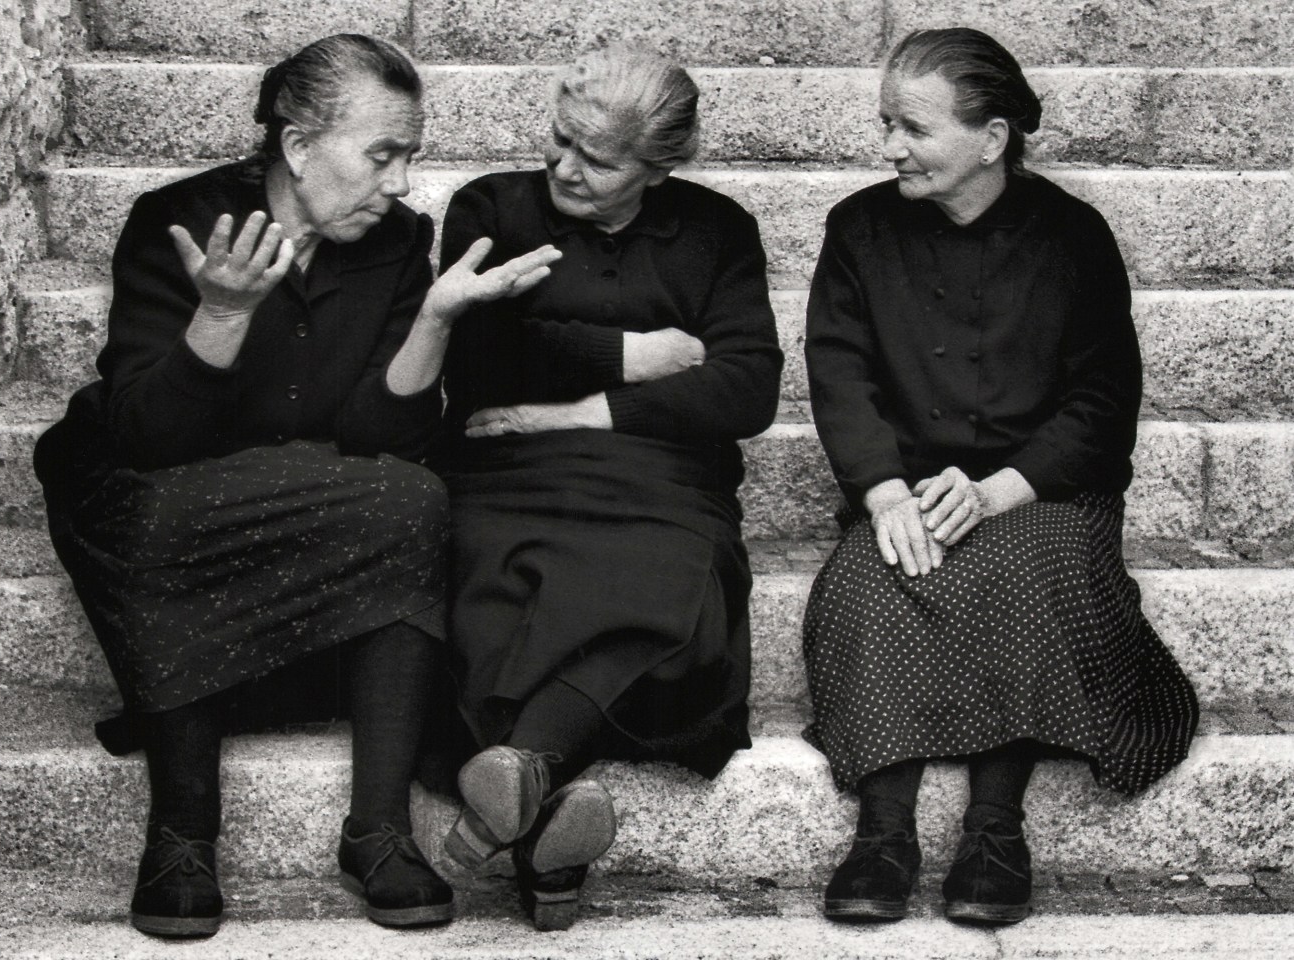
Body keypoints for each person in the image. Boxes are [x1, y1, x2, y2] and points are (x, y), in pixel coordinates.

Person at [32, 34, 560, 938]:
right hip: (169, 483)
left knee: (416, 499)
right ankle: (182, 834)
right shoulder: (178, 221)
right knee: (161, 510)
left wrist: (433, 317)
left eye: (410, 157)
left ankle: (379, 831)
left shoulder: (397, 243)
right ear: (298, 145)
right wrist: (224, 313)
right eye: (381, 154)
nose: (399, 183)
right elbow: (150, 436)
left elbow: (382, 433)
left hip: (308, 484)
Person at [801, 27, 1199, 926]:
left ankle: (992, 829)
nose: (889, 145)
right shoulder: (857, 228)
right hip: (904, 486)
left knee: (1020, 570)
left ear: (989, 139)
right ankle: (883, 830)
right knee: (872, 576)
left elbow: (1102, 400)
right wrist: (883, 492)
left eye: (912, 126)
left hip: (1040, 491)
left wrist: (998, 490)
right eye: (884, 123)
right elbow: (839, 371)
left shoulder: (1072, 235)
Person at [433, 44, 783, 930]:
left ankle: (525, 772)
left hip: (661, 476)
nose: (563, 167)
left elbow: (744, 389)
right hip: (507, 468)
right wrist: (637, 355)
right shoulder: (491, 207)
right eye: (558, 141)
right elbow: (473, 353)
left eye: (597, 159)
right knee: (491, 584)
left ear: (658, 168)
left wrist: (576, 406)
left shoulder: (715, 231)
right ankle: (544, 822)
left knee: (675, 576)